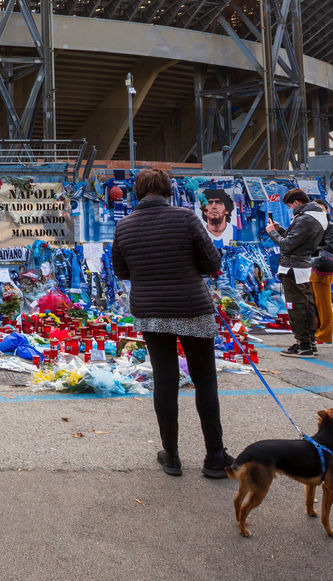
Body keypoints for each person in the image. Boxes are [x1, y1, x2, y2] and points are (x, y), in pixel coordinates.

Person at [112, 168, 234, 478]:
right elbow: (212, 263)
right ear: (169, 192)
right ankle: (215, 456)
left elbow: (122, 271)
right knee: (204, 378)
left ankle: (172, 456)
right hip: (192, 306)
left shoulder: (124, 227)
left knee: (165, 381)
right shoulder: (186, 218)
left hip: (151, 310)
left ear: (137, 193)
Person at [265, 188, 328, 358]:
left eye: (290, 206)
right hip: (304, 266)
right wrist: (281, 230)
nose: (291, 210)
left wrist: (271, 232)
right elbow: (296, 241)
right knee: (306, 305)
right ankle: (309, 342)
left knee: (296, 307)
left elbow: (287, 245)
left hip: (293, 268)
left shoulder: (305, 219)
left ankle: (303, 344)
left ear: (297, 203)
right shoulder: (318, 216)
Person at [310, 199, 333, 346]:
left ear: (327, 211)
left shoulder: (330, 227)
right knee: (312, 302)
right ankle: (315, 331)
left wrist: (311, 250)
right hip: (310, 267)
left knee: (323, 303)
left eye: (321, 209)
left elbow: (329, 248)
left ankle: (324, 334)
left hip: (323, 267)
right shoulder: (311, 226)